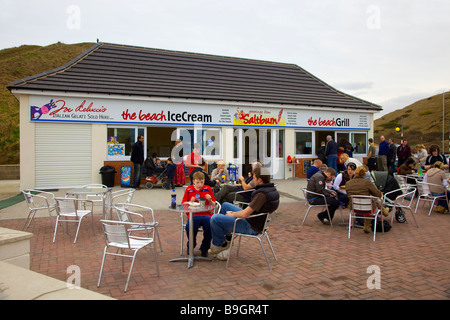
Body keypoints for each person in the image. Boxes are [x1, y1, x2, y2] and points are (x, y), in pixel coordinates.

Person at [209, 167, 279, 256]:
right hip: (255, 219)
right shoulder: (271, 190)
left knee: (214, 218)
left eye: (254, 178)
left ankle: (219, 244)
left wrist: (232, 214)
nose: (253, 180)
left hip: (251, 226)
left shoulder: (261, 195)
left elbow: (245, 214)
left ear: (260, 180)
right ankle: (228, 237)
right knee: (225, 205)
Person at [182, 171, 216, 257]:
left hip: (206, 214)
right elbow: (183, 204)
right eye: (197, 182)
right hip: (193, 214)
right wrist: (190, 202)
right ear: (193, 181)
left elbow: (214, 205)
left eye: (202, 182)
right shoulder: (189, 189)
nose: (200, 184)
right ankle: (191, 244)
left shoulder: (207, 189)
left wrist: (210, 200)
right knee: (189, 227)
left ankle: (205, 248)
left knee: (210, 225)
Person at [345, 166, 388, 234]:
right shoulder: (367, 182)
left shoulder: (348, 183)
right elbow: (377, 194)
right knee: (374, 202)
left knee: (370, 202)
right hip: (368, 208)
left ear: (355, 173)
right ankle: (384, 211)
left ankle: (367, 226)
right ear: (364, 174)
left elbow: (347, 194)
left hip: (354, 208)